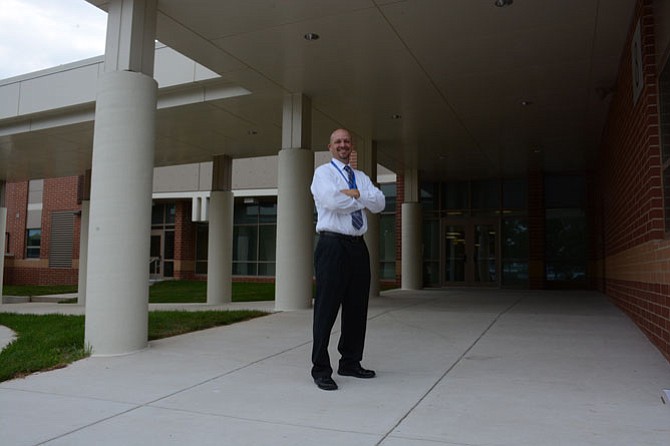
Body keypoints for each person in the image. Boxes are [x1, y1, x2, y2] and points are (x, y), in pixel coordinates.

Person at [310, 128, 386, 391]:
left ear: (351, 146)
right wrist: (360, 198)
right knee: (326, 308)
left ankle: (350, 362)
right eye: (338, 142)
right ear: (330, 147)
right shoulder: (323, 173)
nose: (343, 145)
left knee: (357, 308)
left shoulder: (361, 177)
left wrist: (354, 194)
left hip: (357, 247)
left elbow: (380, 202)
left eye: (346, 141)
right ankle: (320, 368)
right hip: (332, 245)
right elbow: (331, 202)